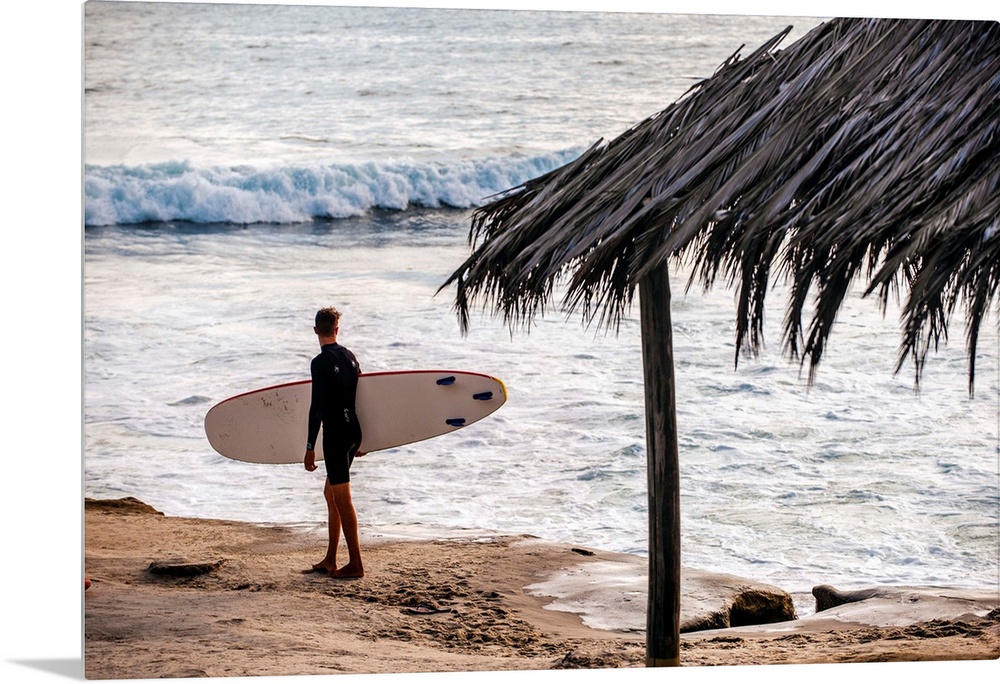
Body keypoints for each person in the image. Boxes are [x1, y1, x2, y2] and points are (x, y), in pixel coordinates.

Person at [303, 307, 365, 578]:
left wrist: (309, 447)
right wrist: (364, 439)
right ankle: (331, 558)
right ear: (336, 330)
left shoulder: (320, 362)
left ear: (316, 330)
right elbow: (362, 397)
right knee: (331, 495)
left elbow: (317, 408)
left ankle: (356, 564)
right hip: (353, 432)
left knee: (342, 499)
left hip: (336, 436)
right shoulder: (350, 357)